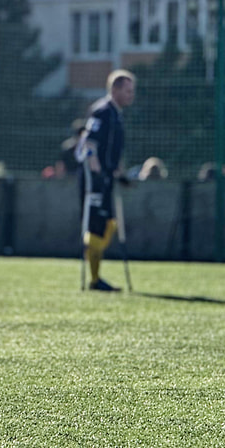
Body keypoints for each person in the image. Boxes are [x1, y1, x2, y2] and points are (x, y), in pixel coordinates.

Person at [75, 69, 136, 292]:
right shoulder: (102, 112)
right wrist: (97, 173)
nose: (131, 95)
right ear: (115, 89)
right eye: (128, 91)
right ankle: (94, 278)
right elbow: (89, 144)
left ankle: (95, 272)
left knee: (109, 224)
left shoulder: (116, 114)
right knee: (97, 225)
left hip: (107, 178)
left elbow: (112, 150)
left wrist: (119, 173)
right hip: (95, 180)